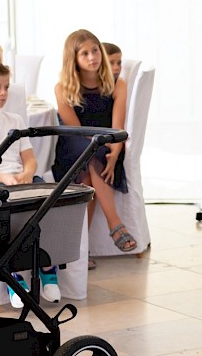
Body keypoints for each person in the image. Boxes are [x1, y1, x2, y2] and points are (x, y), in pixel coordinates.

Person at [0, 61, 60, 306]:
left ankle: (47, 265)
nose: (3, 93)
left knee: (49, 198)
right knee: (6, 211)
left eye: (6, 87)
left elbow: (30, 159)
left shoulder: (16, 120)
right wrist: (3, 178)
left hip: (21, 178)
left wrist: (26, 174)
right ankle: (13, 275)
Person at [52, 29, 135, 255]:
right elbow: (76, 131)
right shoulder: (62, 89)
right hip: (76, 147)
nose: (92, 57)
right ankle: (115, 225)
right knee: (90, 154)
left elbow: (118, 129)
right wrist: (102, 148)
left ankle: (82, 250)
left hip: (108, 145)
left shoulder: (118, 84)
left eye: (95, 50)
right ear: (74, 60)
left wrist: (116, 153)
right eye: (85, 53)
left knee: (90, 170)